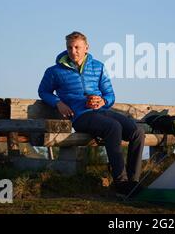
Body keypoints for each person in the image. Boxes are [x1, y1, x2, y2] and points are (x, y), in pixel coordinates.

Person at [38, 31, 145, 196]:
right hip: (80, 116)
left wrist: (103, 101)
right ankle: (121, 184)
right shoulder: (54, 71)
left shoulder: (98, 67)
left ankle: (134, 182)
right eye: (69, 47)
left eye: (77, 47)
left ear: (86, 48)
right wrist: (58, 103)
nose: (73, 51)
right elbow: (43, 91)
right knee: (113, 127)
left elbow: (110, 95)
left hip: (101, 112)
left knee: (138, 131)